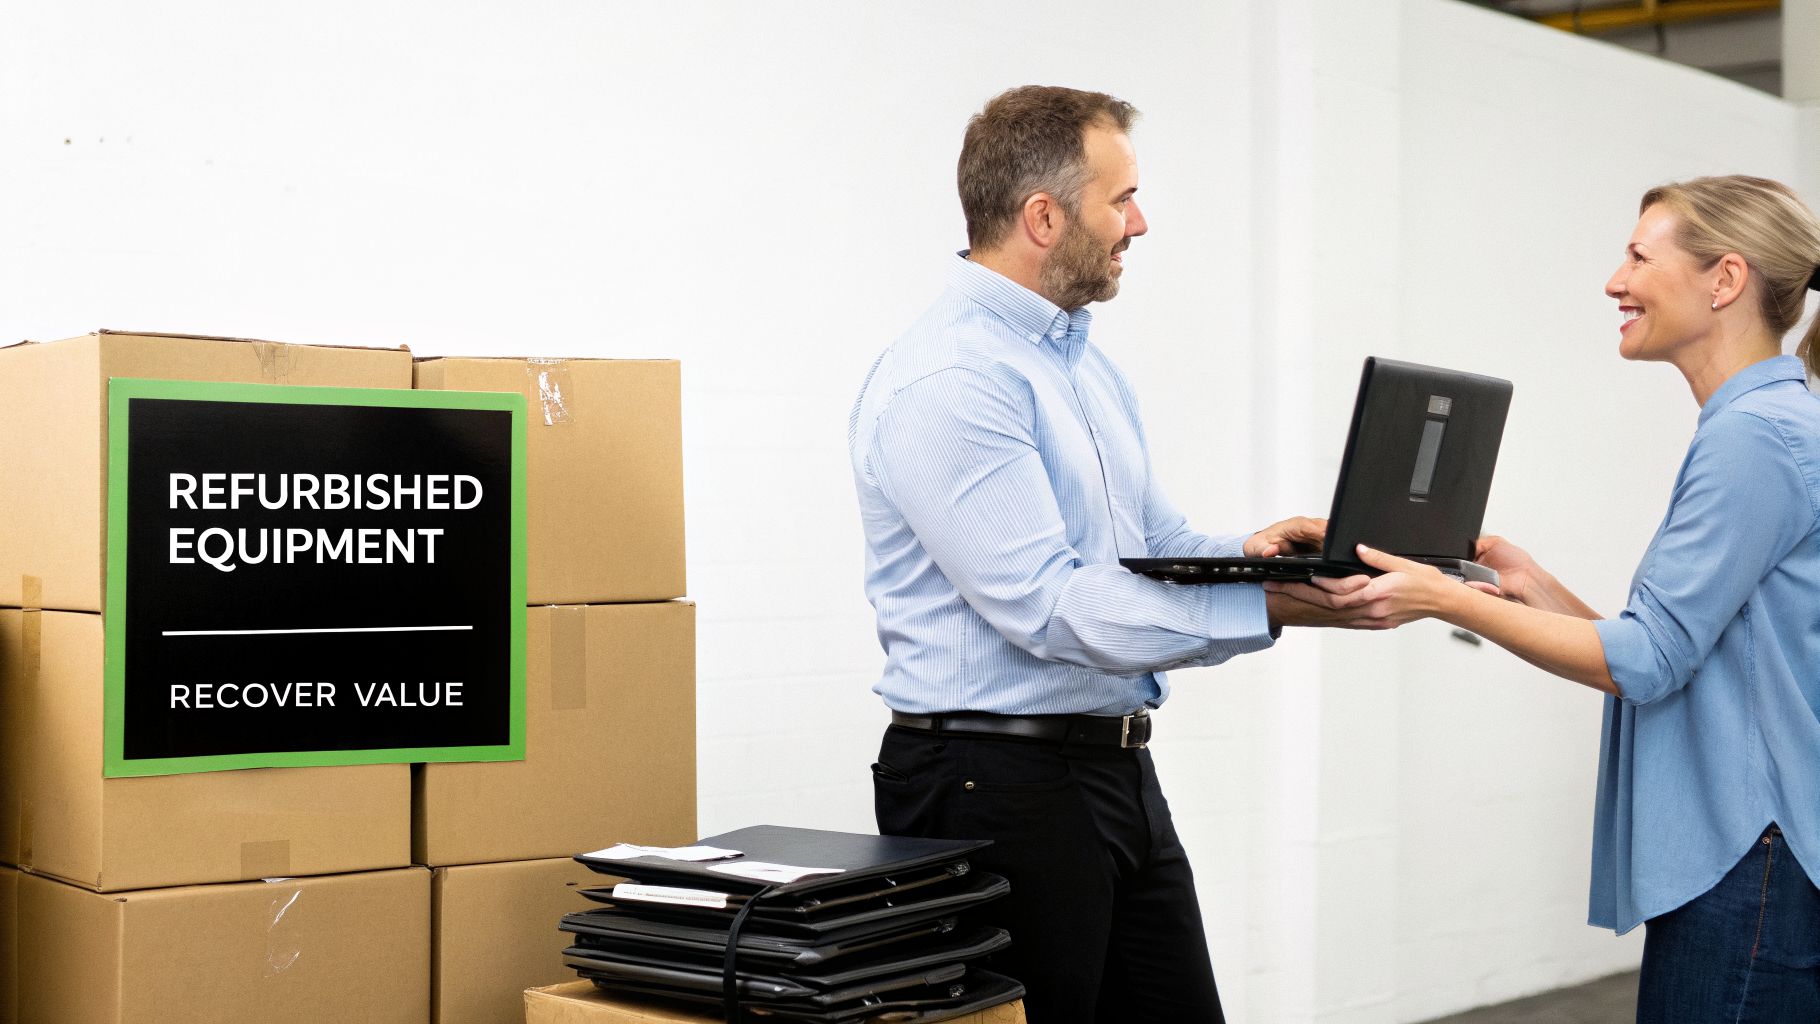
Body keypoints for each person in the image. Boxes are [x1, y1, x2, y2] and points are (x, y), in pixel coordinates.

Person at [847, 85, 1376, 1024]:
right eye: (1120, 199)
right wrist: (1269, 609)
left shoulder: (1079, 363)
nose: (1140, 222)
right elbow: (1052, 607)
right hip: (991, 785)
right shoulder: (952, 379)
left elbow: (1152, 547)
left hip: (1111, 770)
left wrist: (1265, 560)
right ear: (1043, 217)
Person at [1271, 175, 1820, 1020]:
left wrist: (1447, 602)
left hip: (1751, 866)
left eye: (1639, 255)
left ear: (1725, 279)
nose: (1614, 281)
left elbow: (1645, 663)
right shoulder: (1766, 425)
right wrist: (1524, 587)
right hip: (1757, 862)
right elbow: (1672, 651)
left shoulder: (1756, 438)